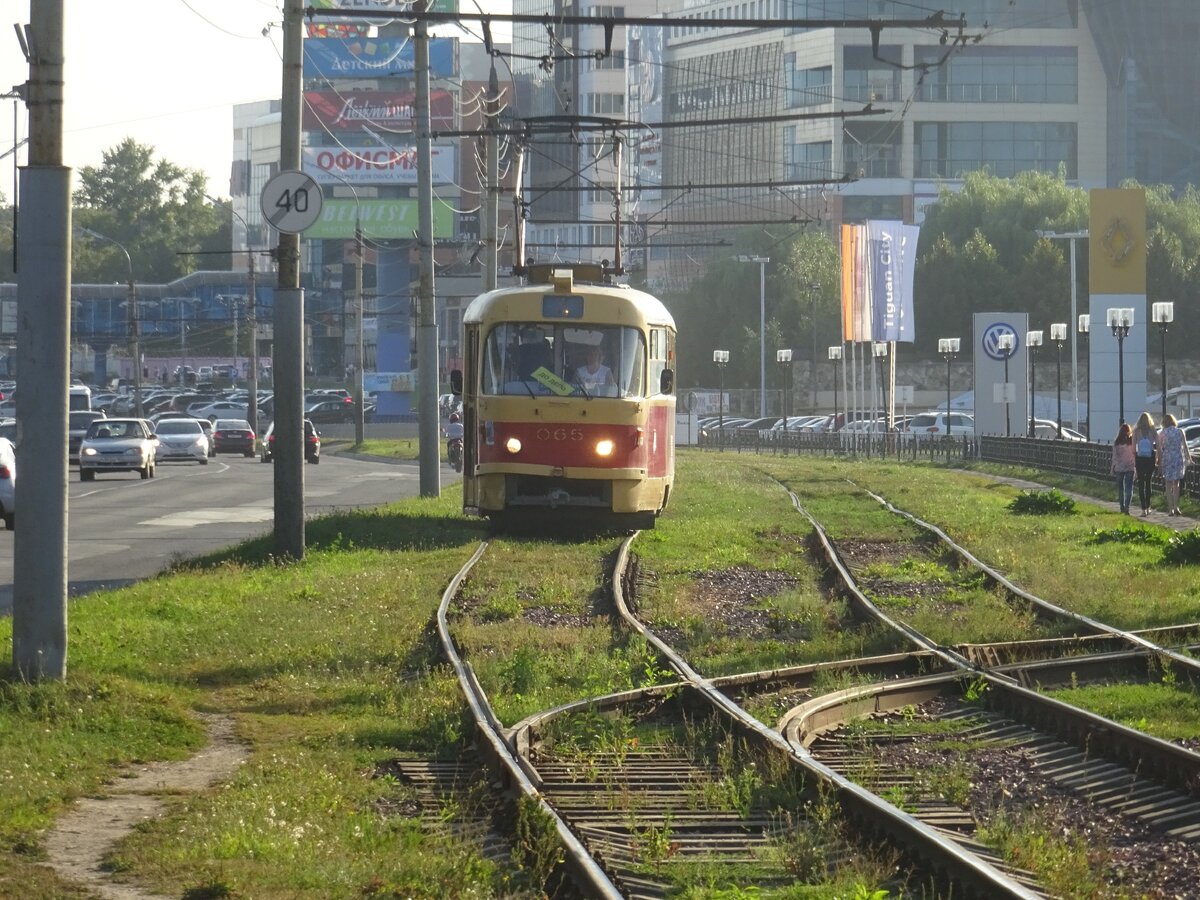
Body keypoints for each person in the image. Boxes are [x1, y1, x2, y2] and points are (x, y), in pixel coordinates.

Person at [1157, 413, 1192, 515]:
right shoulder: (1180, 431)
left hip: (1167, 458)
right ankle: (1176, 506)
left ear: (1164, 422)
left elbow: (1159, 449)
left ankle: (1170, 508)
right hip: (1178, 458)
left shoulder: (1162, 433)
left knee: (1168, 484)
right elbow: (1185, 446)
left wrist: (1158, 461)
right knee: (1176, 484)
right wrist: (1188, 458)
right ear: (1174, 421)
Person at [1132, 412, 1159, 515]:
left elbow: (1133, 448)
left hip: (1140, 458)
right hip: (1150, 458)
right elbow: (1158, 446)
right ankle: (1148, 506)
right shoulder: (1152, 431)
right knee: (1148, 482)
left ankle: (1143, 509)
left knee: (1141, 483)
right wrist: (1157, 458)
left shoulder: (1136, 431)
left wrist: (1135, 459)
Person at [1110, 422, 1136, 514]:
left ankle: (1121, 507)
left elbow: (1114, 456)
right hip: (1130, 467)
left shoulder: (1117, 442)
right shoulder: (1131, 441)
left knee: (1121, 488)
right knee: (1129, 488)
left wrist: (1112, 468)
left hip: (1119, 467)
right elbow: (1134, 454)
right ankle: (1127, 507)